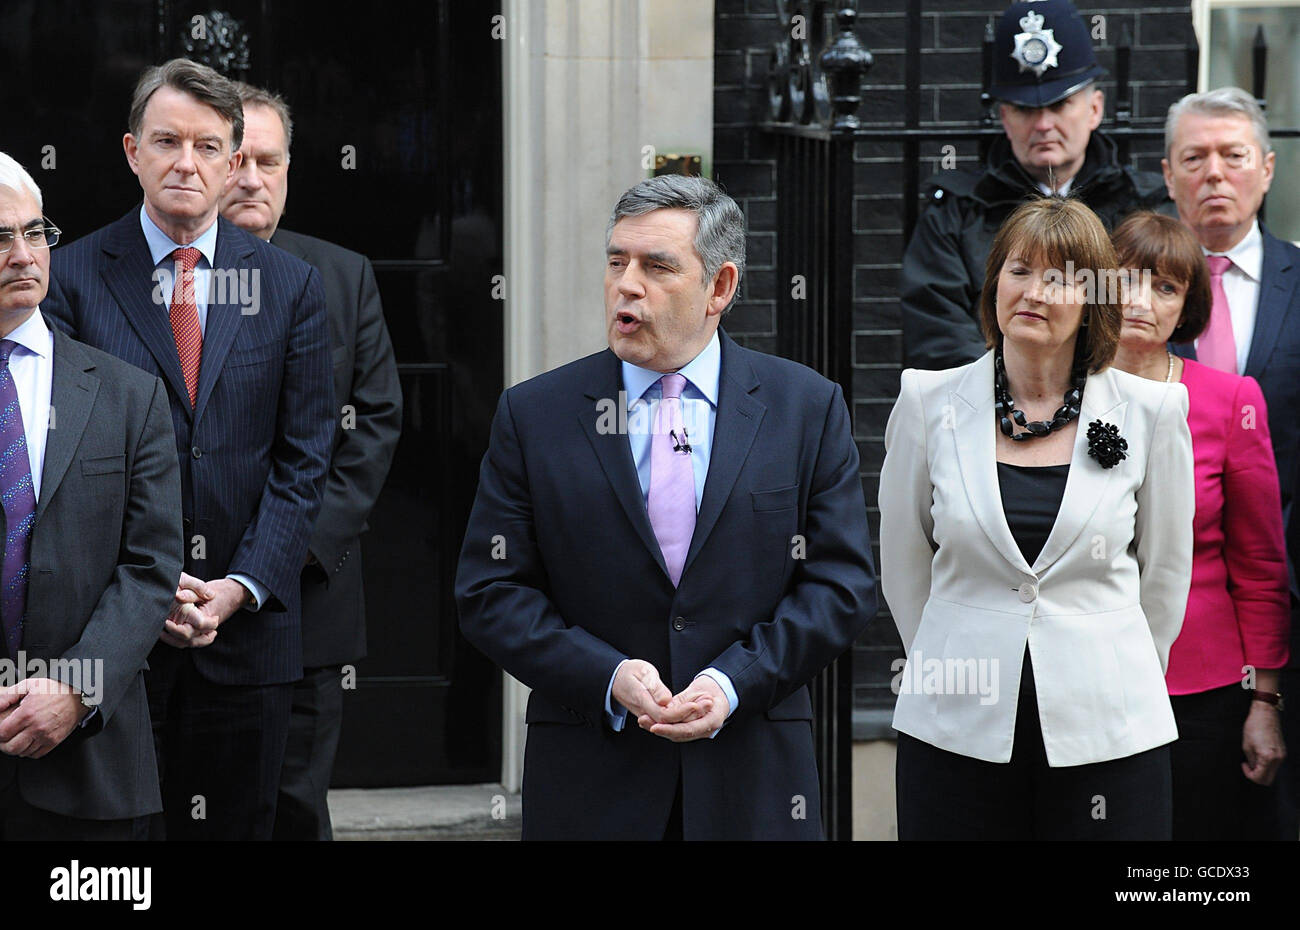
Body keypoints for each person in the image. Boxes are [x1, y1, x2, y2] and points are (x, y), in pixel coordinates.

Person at [455, 175, 877, 840]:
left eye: (657, 267)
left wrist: (735, 681)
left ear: (720, 288)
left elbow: (841, 587)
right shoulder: (535, 415)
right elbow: (490, 592)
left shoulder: (805, 408)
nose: (626, 284)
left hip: (754, 780)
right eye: (617, 261)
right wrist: (608, 674)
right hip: (592, 779)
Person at [41, 58, 334, 840]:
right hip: (110, 646)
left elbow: (304, 462)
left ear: (235, 162)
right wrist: (148, 592)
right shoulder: (68, 280)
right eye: (168, 141)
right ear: (133, 151)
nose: (187, 163)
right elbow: (60, 468)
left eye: (209, 146)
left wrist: (239, 586)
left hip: (247, 642)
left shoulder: (293, 287)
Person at [880, 197, 1194, 840]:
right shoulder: (926, 400)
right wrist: (951, 653)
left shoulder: (1153, 411)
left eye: (1059, 278)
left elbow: (1164, 576)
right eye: (1018, 270)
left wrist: (1115, 667)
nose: (1032, 291)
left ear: (1092, 302)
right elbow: (904, 561)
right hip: (954, 727)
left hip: (1109, 730)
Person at [219, 82, 403, 840]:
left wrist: (294, 550)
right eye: (237, 160)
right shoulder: (151, 279)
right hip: (182, 597)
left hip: (306, 598)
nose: (254, 179)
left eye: (270, 160)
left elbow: (376, 422)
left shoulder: (343, 274)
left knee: (295, 805)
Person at [0, 153, 183, 840]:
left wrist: (76, 690)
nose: (23, 255)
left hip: (94, 771)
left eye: (36, 231)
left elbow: (151, 565)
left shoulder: (128, 393)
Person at [1109, 210, 1289, 839]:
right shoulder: (1059, 398)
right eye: (1128, 279)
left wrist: (1264, 701)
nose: (1142, 300)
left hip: (1204, 683)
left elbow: (1261, 561)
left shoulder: (1230, 401)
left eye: (1166, 286)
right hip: (1084, 675)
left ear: (1186, 305)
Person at [1162, 86, 1300, 836]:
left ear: (1268, 169)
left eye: (1233, 156)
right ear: (1168, 172)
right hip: (1187, 626)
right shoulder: (1129, 305)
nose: (1215, 173)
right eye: (1196, 158)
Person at [901, 0, 1169, 371]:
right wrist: (1015, 399)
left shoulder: (1145, 205)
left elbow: (1168, 319)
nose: (1043, 124)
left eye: (1060, 106)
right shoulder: (957, 210)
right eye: (1026, 110)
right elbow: (938, 328)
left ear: (1094, 109)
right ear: (1006, 119)